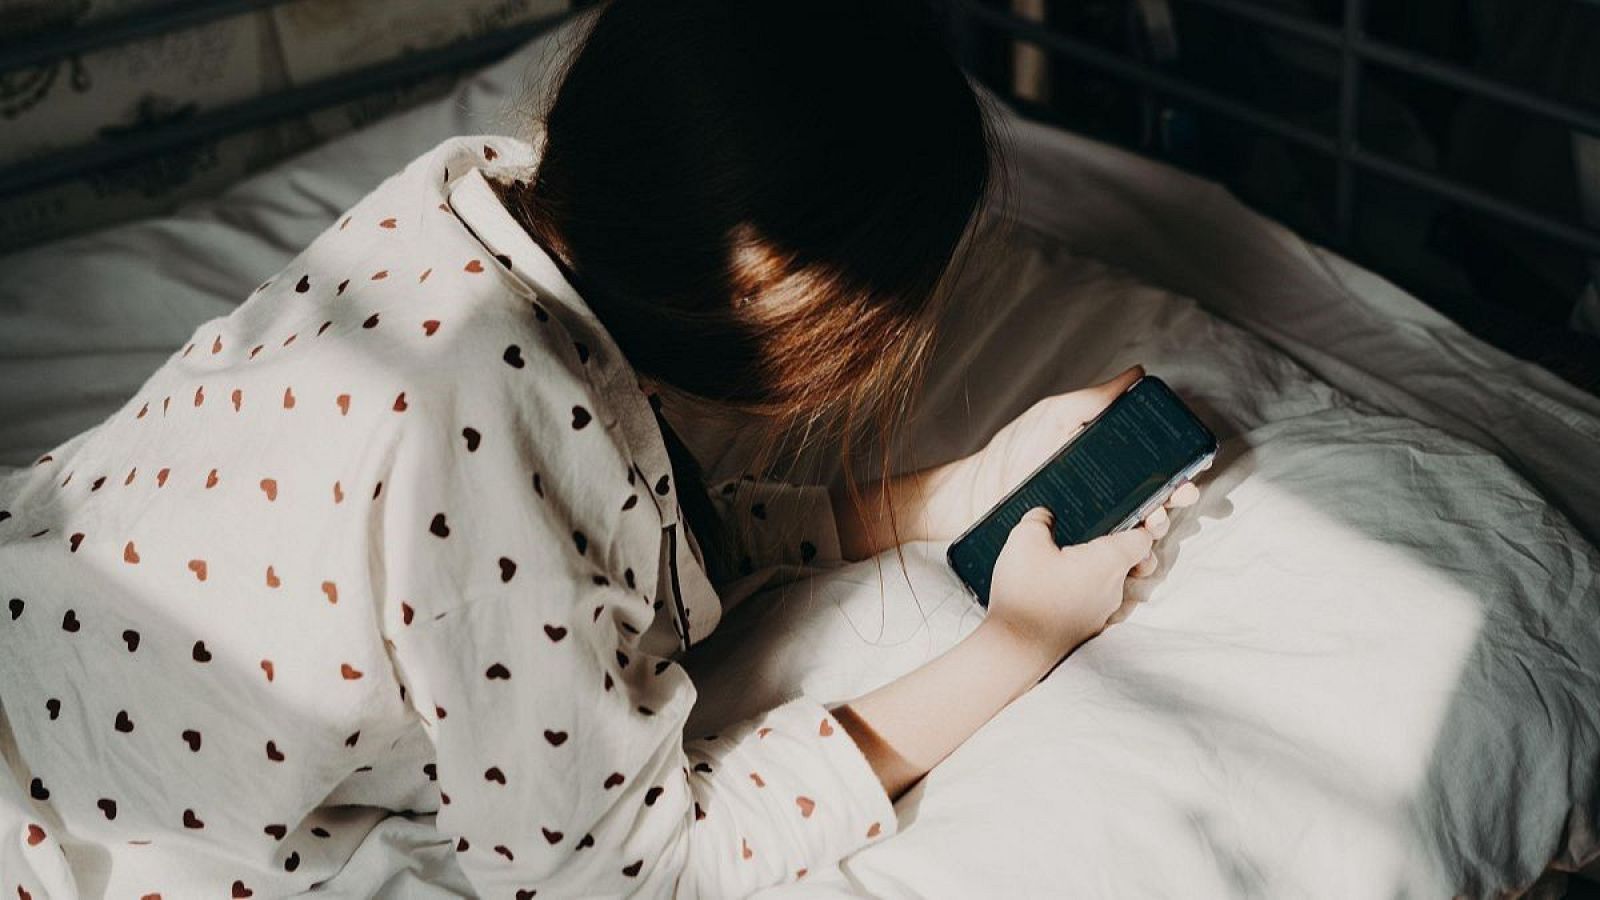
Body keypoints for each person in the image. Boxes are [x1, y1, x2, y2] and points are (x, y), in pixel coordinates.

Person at [0, 1, 1197, 896]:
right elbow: (624, 874)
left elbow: (631, 523)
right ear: (782, 290)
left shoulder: (483, 201)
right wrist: (1020, 640)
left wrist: (953, 491)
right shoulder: (480, 436)